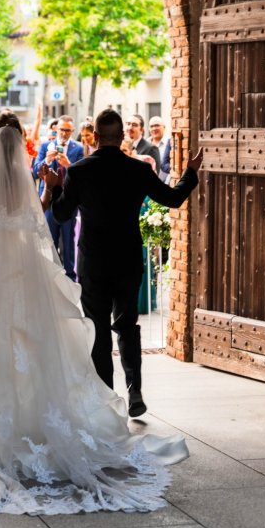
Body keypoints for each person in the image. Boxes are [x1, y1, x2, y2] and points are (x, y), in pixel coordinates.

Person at [0, 113, 189, 515]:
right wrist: (51, 187)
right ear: (20, 140)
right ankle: (46, 414)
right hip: (23, 266)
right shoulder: (26, 173)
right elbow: (38, 215)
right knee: (33, 337)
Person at [52, 109, 203, 417]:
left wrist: (55, 186)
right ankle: (135, 391)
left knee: (98, 328)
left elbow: (61, 215)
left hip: (93, 261)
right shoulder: (138, 170)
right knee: (127, 325)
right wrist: (190, 171)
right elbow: (173, 199)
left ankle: (107, 398)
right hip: (127, 258)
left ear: (94, 137)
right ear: (122, 137)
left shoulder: (79, 172)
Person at [33, 115, 84, 280]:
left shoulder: (79, 149)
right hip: (48, 200)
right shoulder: (46, 145)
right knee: (49, 240)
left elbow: (82, 176)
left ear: (72, 131)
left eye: (68, 130)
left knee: (68, 242)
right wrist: (48, 159)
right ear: (56, 129)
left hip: (68, 200)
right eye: (61, 129)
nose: (64, 133)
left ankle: (69, 278)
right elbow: (35, 171)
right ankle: (50, 278)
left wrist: (68, 165)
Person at [149, 116, 170, 182]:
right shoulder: (146, 144)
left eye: (157, 125)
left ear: (164, 127)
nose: (154, 128)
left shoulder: (169, 143)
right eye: (151, 126)